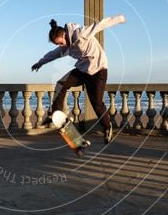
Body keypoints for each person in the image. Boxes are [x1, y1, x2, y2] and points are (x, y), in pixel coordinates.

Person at [31, 14, 126, 144]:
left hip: (99, 69)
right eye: (57, 44)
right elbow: (54, 54)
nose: (60, 46)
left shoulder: (80, 33)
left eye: (60, 43)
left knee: (97, 103)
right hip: (83, 70)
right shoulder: (66, 46)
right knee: (61, 83)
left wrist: (119, 19)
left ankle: (107, 127)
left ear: (64, 35)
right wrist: (40, 63)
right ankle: (55, 112)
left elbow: (100, 25)